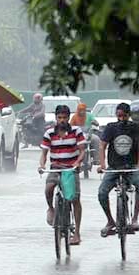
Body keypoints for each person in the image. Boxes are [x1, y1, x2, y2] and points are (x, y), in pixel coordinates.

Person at [97, 103, 139, 235]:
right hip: (113, 167)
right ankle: (110, 221)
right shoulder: (110, 128)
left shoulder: (135, 127)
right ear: (116, 115)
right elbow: (102, 146)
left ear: (129, 115)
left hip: (131, 167)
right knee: (102, 193)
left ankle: (135, 218)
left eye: (124, 116)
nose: (122, 119)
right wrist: (102, 165)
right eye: (119, 116)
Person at [39, 105, 86, 245]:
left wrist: (77, 162)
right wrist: (41, 165)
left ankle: (77, 233)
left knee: (74, 199)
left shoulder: (76, 131)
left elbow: (82, 151)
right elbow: (44, 154)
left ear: (68, 118)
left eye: (65, 118)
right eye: (59, 118)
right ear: (56, 118)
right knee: (49, 188)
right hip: (55, 167)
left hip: (71, 169)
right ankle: (51, 208)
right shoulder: (49, 133)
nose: (62, 120)